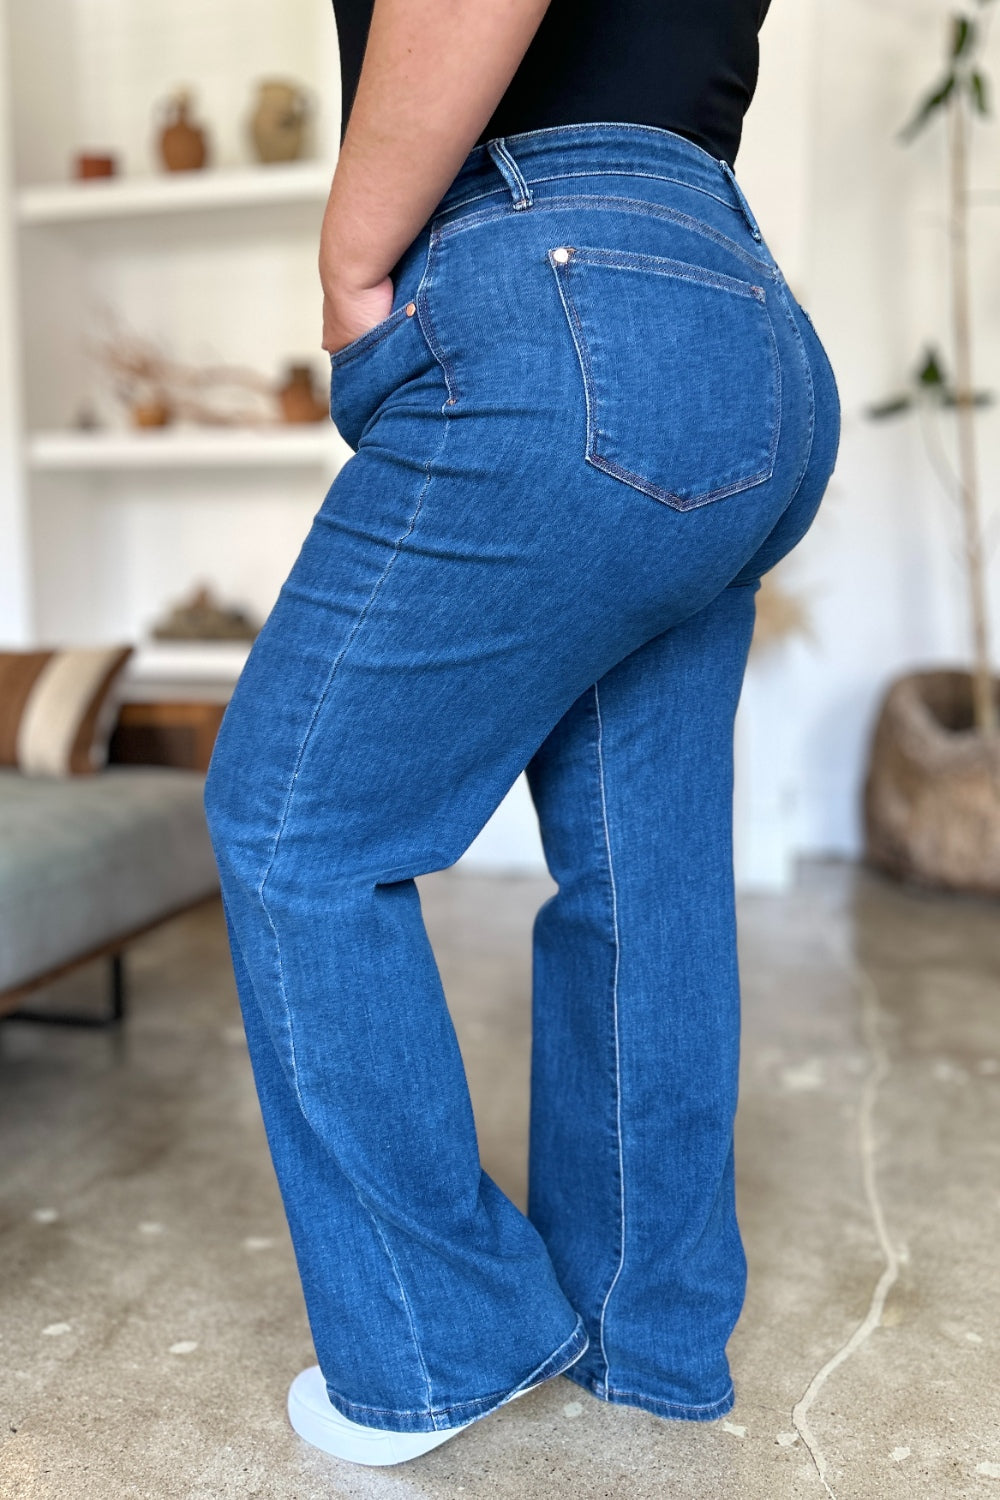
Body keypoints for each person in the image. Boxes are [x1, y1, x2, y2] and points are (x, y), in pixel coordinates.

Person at [203, 0, 841, 1469]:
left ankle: (443, 1337)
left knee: (297, 824)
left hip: (561, 289)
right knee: (646, 865)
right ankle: (646, 1327)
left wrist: (353, 257)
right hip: (738, 311)